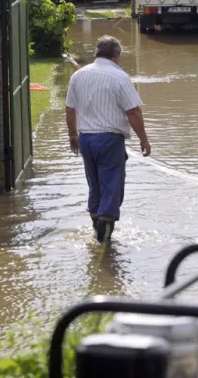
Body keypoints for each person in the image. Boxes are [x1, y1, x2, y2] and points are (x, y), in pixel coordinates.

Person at [65, 35, 151, 243]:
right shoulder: (120, 77)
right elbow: (133, 112)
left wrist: (72, 135)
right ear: (117, 55)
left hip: (86, 139)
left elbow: (69, 109)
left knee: (94, 185)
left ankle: (96, 229)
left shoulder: (79, 75)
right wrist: (144, 139)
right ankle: (105, 235)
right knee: (111, 185)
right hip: (110, 140)